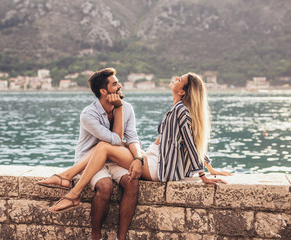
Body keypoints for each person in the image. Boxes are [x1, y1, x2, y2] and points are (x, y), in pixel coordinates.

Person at [48, 72, 231, 214]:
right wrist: (209, 167)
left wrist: (203, 174)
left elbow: (191, 143)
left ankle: (73, 193)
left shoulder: (180, 111)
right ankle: (66, 176)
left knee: (104, 146)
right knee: (117, 145)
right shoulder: (178, 109)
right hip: (151, 158)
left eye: (179, 79)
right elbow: (194, 138)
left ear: (182, 91)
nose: (175, 78)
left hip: (157, 167)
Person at [37, 68, 143, 240]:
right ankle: (95, 236)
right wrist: (119, 109)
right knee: (105, 186)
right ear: (103, 91)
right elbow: (115, 140)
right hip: (89, 160)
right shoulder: (88, 114)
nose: (120, 86)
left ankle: (121, 238)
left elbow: (132, 137)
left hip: (113, 158)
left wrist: (138, 158)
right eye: (115, 84)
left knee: (132, 182)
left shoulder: (127, 109)